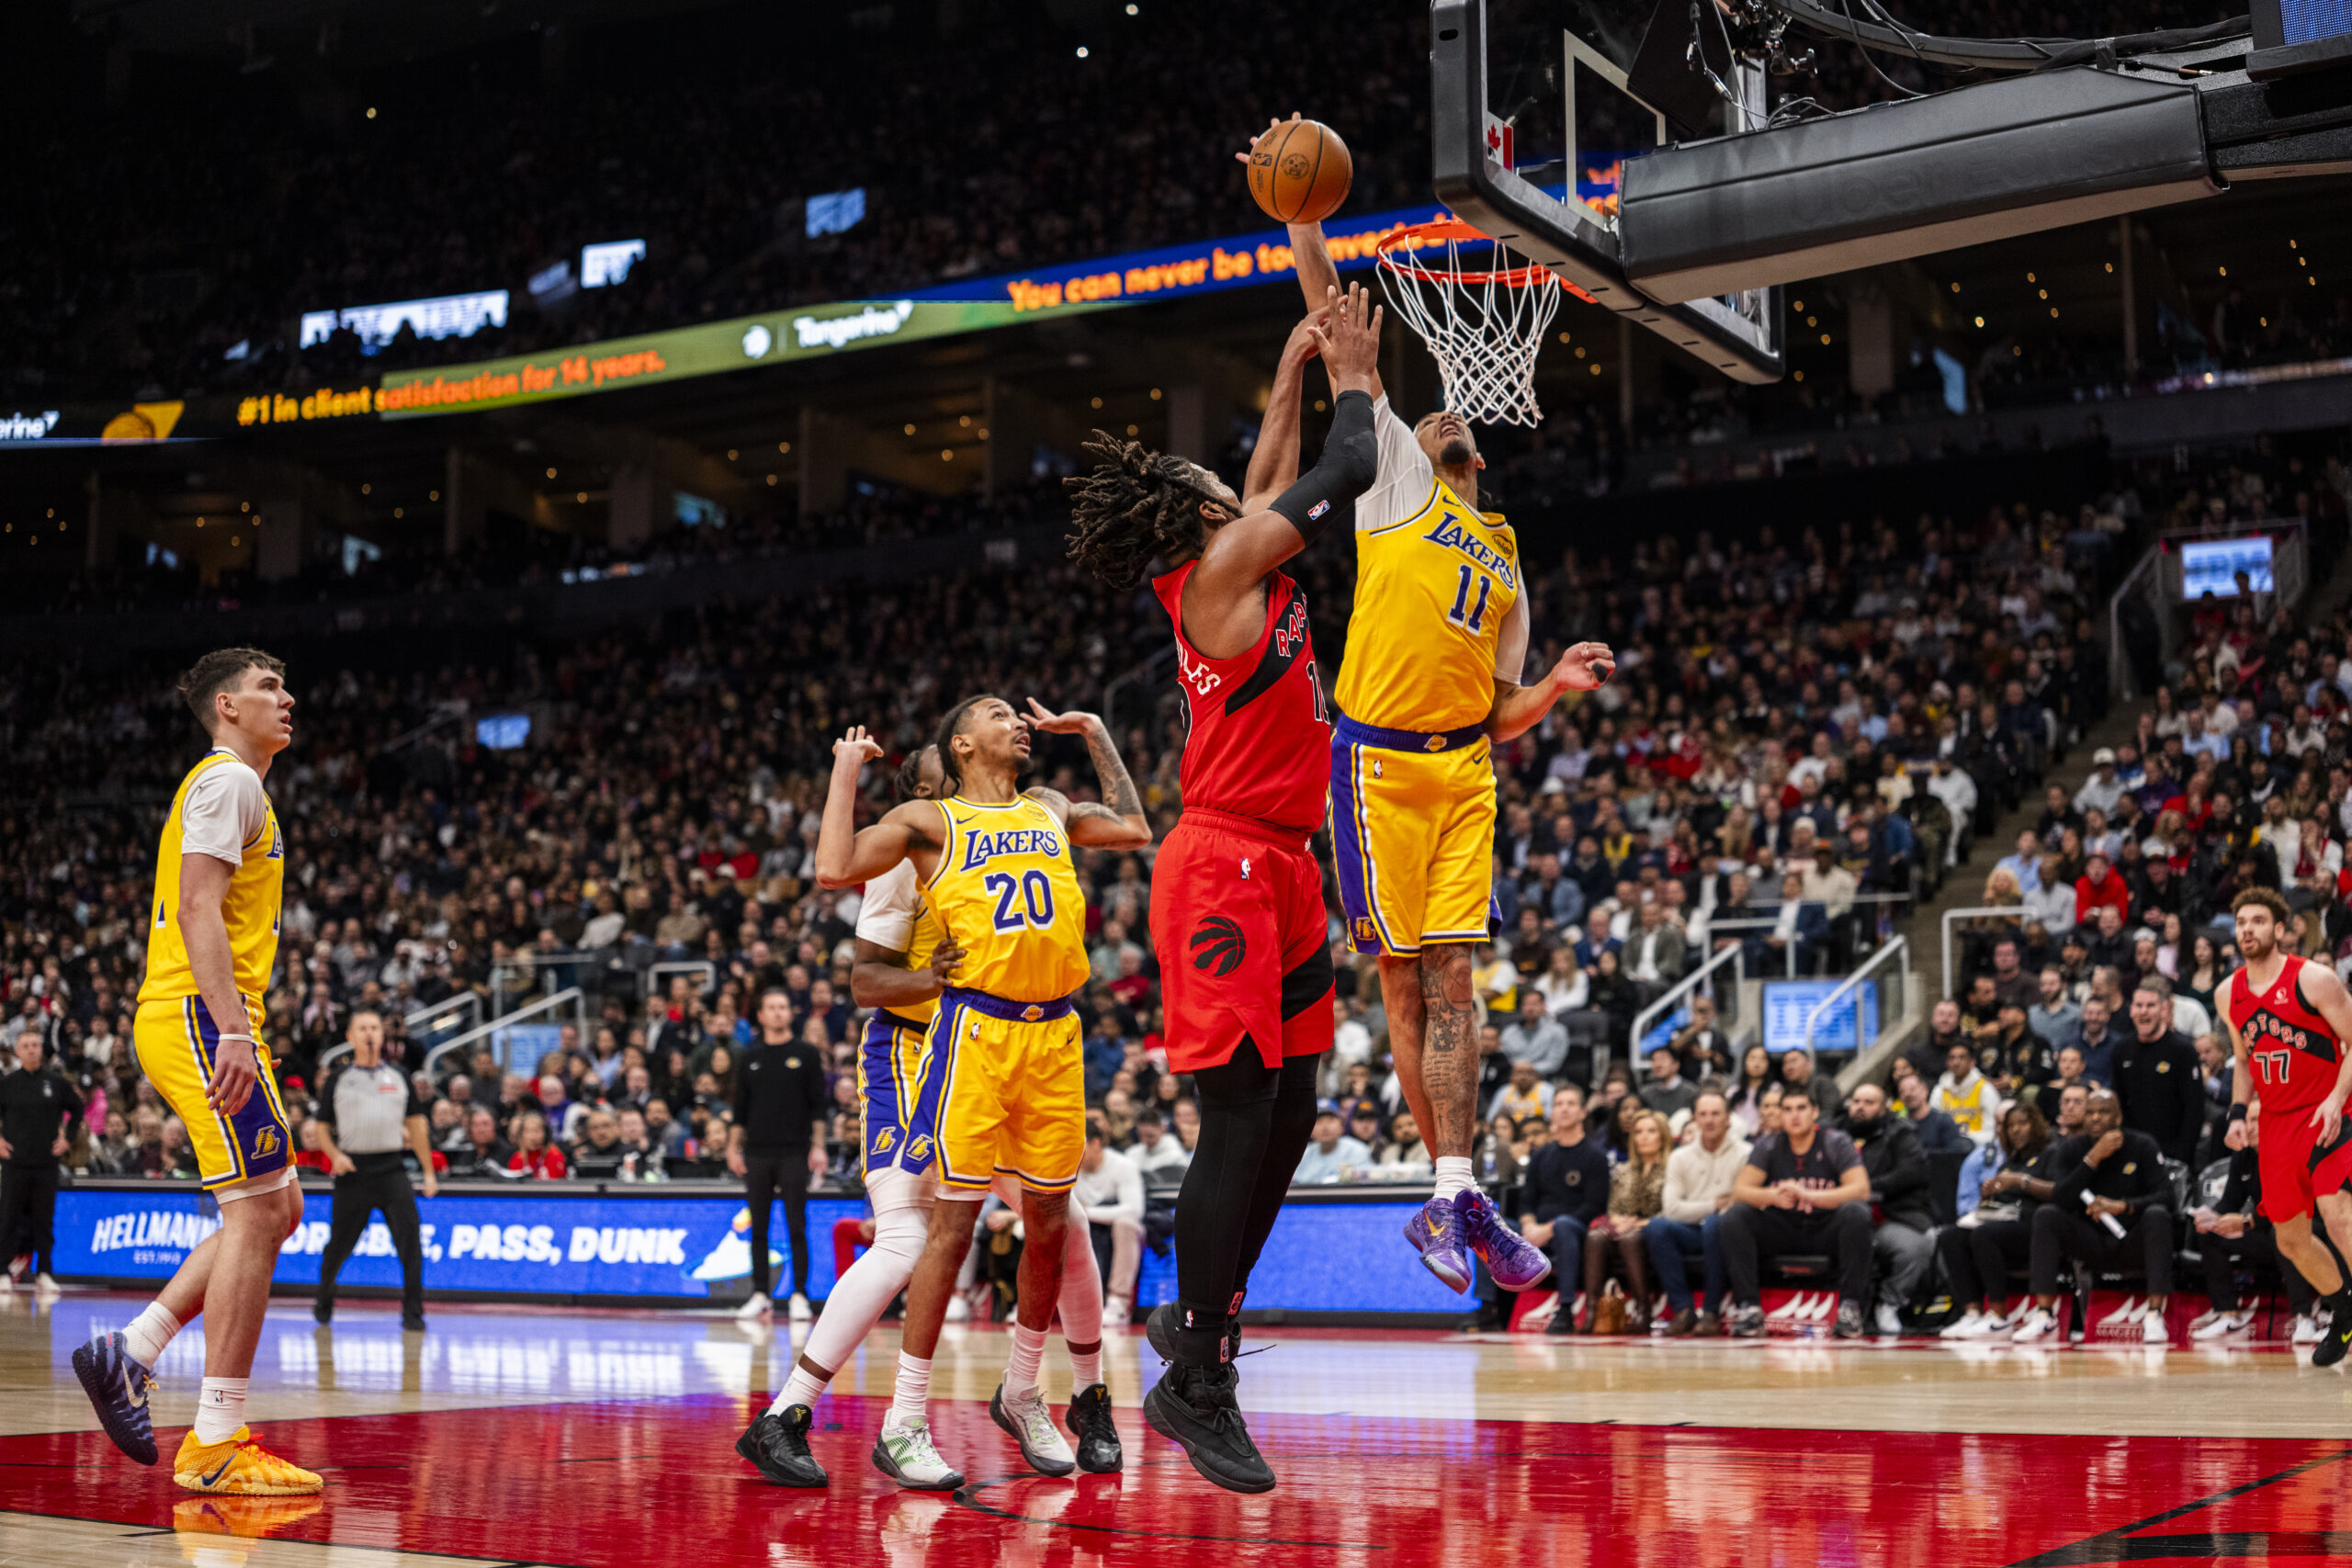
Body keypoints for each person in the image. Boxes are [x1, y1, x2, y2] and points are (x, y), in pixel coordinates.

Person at [1067, 295, 1377, 1495]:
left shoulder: (1236, 550)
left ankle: (1200, 1321)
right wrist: (1353, 378)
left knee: (1292, 1114)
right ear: (1202, 515)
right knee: (1239, 1118)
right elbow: (1343, 472)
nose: (1238, 490)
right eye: (1220, 488)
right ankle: (1197, 1370)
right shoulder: (1220, 569)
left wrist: (1290, 369)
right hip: (1224, 863)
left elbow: (1269, 478)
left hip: (1286, 863)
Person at [1286, 202, 1614, 1303]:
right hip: (1377, 766)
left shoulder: (1505, 550)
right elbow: (1337, 329)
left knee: (1457, 979)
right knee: (1403, 982)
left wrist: (1551, 688)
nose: (1442, 417)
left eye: (1449, 419)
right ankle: (1447, 1189)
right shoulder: (1395, 484)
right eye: (1426, 418)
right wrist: (1301, 219)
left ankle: (1456, 1190)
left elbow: (1499, 707)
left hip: (1463, 768)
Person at [739, 748, 1117, 1490]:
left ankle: (1086, 1397)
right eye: (947, 775)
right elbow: (862, 980)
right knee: (908, 1238)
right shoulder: (907, 852)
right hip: (911, 1057)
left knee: (1064, 1221)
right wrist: (932, 978)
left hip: (991, 1054)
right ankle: (787, 1413)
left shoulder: (1006, 833)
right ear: (920, 791)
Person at [814, 694, 1149, 1489]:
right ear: (962, 744)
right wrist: (844, 771)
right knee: (951, 1227)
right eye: (1000, 714)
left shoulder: (1050, 805)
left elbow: (1135, 827)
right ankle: (905, 1417)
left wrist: (1097, 733)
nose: (1019, 722)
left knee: (1051, 1222)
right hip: (976, 1033)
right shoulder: (931, 822)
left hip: (1056, 1033)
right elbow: (833, 865)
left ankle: (1024, 1389)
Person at [74, 649, 319, 1494]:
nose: (287, 698)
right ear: (226, 705)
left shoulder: (239, 785)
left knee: (278, 1206)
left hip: (205, 1013)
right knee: (258, 1212)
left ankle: (131, 1350)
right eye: (267, 687)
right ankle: (215, 1439)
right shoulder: (229, 780)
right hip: (200, 1014)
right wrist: (233, 1031)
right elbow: (194, 905)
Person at [2217, 886, 2352, 1365]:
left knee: (2337, 1215)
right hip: (2275, 1122)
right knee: (2290, 1239)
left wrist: (2336, 1099)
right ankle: (2345, 1311)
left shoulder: (2314, 979)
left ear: (2279, 929)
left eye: (2257, 921)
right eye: (2241, 923)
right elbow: (2242, 1059)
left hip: (2326, 1111)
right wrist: (2238, 1113)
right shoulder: (2227, 992)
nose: (2247, 930)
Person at [2011, 1089, 2176, 1344]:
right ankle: (2045, 1315)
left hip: (2132, 1238)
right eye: (2090, 1113)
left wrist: (2123, 1206)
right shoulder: (2072, 1149)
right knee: (2047, 1215)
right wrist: (2092, 1158)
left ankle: (2154, 1315)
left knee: (2158, 1215)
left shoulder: (2142, 1145)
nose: (2096, 1118)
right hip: (2091, 1240)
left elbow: (2167, 1197)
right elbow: (2061, 1198)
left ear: (2118, 1118)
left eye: (2103, 1112)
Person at [311, 1010, 436, 1332]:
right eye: (363, 1028)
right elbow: (321, 1125)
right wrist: (334, 1155)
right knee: (339, 1246)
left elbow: (417, 1124)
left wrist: (428, 1171)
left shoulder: (399, 1075)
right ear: (350, 1037)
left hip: (392, 1168)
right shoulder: (339, 1077)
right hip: (353, 1170)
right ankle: (324, 1299)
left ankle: (413, 1313)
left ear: (382, 1035)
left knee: (410, 1242)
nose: (369, 1033)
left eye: (375, 1028)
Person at [1719, 1089, 1874, 1338]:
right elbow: (1740, 1191)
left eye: (1801, 1108)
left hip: (1824, 1228)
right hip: (1784, 1228)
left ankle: (1849, 1309)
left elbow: (1861, 1189)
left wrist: (1808, 1195)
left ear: (1815, 1112)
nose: (1794, 1115)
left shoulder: (1835, 1142)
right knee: (1736, 1215)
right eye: (1788, 1109)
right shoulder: (1768, 1145)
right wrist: (1772, 1195)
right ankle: (1749, 1308)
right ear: (1780, 1114)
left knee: (1856, 1212)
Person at [727, 987, 831, 1325]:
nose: (777, 1012)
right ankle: (760, 1294)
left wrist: (818, 1146)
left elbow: (818, 1106)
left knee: (796, 1224)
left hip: (794, 1152)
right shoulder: (750, 1057)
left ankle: (799, 1294)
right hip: (757, 1152)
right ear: (760, 1015)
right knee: (758, 1226)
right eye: (771, 1007)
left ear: (790, 1013)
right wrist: (732, 1147)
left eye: (782, 1007)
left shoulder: (806, 1054)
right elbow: (740, 1109)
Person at [2189, 1100, 2325, 1339]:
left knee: (2283, 1232)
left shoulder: (2292, 1150)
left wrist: (2245, 1222)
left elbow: (2291, 1208)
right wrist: (2212, 1217)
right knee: (2212, 1234)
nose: (2249, 1127)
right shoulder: (2243, 1154)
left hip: (2311, 1230)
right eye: (2246, 1121)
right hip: (2266, 1230)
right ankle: (2228, 1315)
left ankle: (2304, 1317)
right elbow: (2230, 1201)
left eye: (2255, 1120)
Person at [1938, 1101, 2060, 1337]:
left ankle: (1998, 1314)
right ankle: (1972, 1312)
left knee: (1984, 1235)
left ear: (2035, 1125)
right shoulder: (2012, 1159)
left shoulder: (2051, 1153)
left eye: (2022, 1124)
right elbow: (2002, 1197)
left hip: (2035, 1226)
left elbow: (2057, 1192)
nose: (2015, 1130)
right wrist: (1989, 1194)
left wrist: (2020, 1181)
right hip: (2004, 1220)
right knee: (1951, 1235)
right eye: (2010, 1125)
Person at [1645, 1090, 1748, 1336]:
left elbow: (1740, 1205)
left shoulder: (1745, 1153)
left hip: (1724, 1231)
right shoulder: (1680, 1156)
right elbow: (1671, 1209)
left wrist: (1711, 1210)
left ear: (1728, 1119)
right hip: (1690, 1230)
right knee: (1656, 1227)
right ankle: (1683, 1310)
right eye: (1703, 1114)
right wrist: (1714, 1203)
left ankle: (1711, 1312)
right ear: (1695, 1119)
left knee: (1716, 1223)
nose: (1709, 1120)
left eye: (1715, 1114)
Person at [1843, 1082, 1932, 1335]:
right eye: (1856, 1101)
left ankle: (1889, 1302)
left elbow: (1911, 1172)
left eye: (1868, 1103)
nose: (1860, 1107)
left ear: (1883, 1108)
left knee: (1917, 1245)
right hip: (1839, 1216)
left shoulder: (1901, 1134)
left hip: (1888, 1215)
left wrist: (1866, 1188)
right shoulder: (1836, 1133)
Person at [1521, 1085, 1610, 1334]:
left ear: (1582, 1113)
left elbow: (1594, 1206)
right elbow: (1527, 1199)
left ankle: (1566, 1309)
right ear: (1552, 1113)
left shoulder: (1595, 1155)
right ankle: (1489, 1307)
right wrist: (1528, 1225)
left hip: (1576, 1228)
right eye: (1559, 1104)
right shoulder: (1541, 1155)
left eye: (1571, 1104)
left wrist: (1547, 1230)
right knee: (1491, 1228)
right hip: (1537, 1227)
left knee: (1563, 1226)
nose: (1564, 1109)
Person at [0, 1030, 83, 1294]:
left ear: (41, 1049)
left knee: (44, 1221)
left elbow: (78, 1108)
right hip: (14, 1163)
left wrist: (68, 1138)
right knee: (8, 1219)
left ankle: (44, 1273)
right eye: (26, 1045)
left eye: (35, 1044)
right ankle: (2, 1271)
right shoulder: (8, 1083)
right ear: (18, 1051)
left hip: (46, 1163)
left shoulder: (56, 1082)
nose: (31, 1049)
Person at [1582, 1110, 1669, 1332]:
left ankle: (1643, 1310)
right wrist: (1618, 1222)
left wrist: (1639, 1224)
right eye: (1638, 1132)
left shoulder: (1672, 1168)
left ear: (1663, 1136)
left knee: (1630, 1239)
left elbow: (1672, 1211)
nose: (1643, 1137)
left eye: (1651, 1131)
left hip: (1655, 1230)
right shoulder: (1623, 1170)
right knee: (1596, 1237)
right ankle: (1592, 1311)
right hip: (1622, 1228)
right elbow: (1613, 1208)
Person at [2114, 979, 2206, 1167]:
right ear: (2131, 1010)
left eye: (2150, 1005)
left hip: (2173, 1153)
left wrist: (2182, 1156)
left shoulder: (2183, 1050)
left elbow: (2194, 1110)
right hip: (2133, 1152)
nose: (2143, 1011)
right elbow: (2119, 1105)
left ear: (2163, 1009)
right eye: (2138, 1005)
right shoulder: (2121, 1050)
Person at [1073, 1124, 1146, 1319]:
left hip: (1118, 1229)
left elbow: (1135, 1210)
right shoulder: (1068, 1168)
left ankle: (1118, 1303)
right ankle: (1038, 1301)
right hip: (1086, 1225)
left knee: (1126, 1224)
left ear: (1096, 1144)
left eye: (1078, 1146)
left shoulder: (1123, 1165)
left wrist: (1087, 1212)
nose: (1073, 1152)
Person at [1931, 1041, 2005, 1147]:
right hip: (1947, 1146)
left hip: (1979, 1145)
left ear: (1972, 1062)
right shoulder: (1940, 1089)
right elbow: (1933, 1123)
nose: (1956, 1062)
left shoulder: (1985, 1088)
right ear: (1947, 1063)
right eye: (1952, 1058)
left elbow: (1993, 1128)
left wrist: (1969, 1139)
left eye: (1962, 1058)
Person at [1294, 1101, 1371, 1182]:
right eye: (1319, 1121)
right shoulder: (1303, 1153)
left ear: (1342, 1126)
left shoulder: (1357, 1150)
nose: (1325, 1127)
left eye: (1330, 1121)